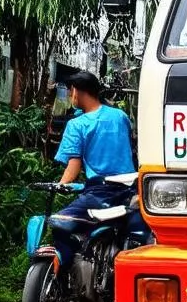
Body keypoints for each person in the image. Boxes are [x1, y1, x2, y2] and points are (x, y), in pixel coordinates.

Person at [50, 71, 136, 270]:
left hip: (100, 193)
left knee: (59, 223)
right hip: (131, 191)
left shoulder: (77, 124)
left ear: (77, 92)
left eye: (71, 91)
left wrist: (60, 187)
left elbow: (73, 166)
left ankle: (64, 276)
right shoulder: (120, 116)